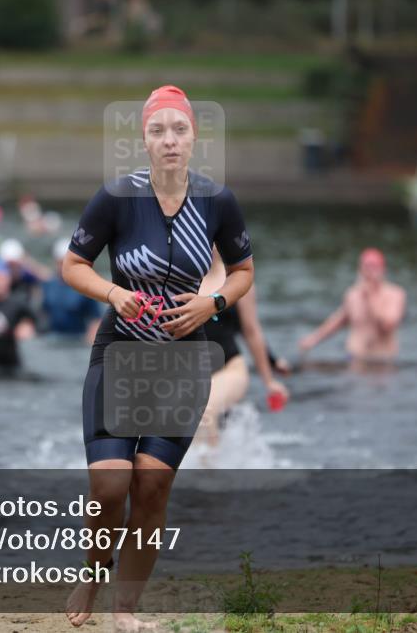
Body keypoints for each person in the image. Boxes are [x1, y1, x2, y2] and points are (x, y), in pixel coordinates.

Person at [61, 85, 254, 631]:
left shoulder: (218, 202)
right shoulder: (117, 198)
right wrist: (112, 293)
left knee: (152, 485)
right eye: (158, 130)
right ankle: (94, 570)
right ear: (143, 140)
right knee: (110, 485)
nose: (169, 140)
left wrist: (212, 301)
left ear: (195, 138)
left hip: (183, 365)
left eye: (179, 130)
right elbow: (72, 264)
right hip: (119, 356)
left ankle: (125, 609)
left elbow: (243, 273)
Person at [195, 250, 289, 447]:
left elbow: (252, 332)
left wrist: (269, 381)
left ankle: (208, 476)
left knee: (205, 409)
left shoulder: (237, 278)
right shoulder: (178, 280)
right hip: (192, 373)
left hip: (230, 368)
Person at [298, 248, 406, 365]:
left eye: (374, 268)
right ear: (360, 270)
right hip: (355, 358)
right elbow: (337, 321)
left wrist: (369, 298)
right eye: (366, 267)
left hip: (382, 361)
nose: (370, 272)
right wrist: (313, 339)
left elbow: (388, 325)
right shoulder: (353, 294)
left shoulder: (394, 294)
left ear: (383, 270)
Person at [41, 238, 102, 343]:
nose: (63, 267)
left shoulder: (85, 287)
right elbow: (42, 313)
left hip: (77, 340)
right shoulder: (49, 285)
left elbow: (96, 318)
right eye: (60, 263)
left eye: (65, 262)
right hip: (53, 339)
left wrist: (91, 338)